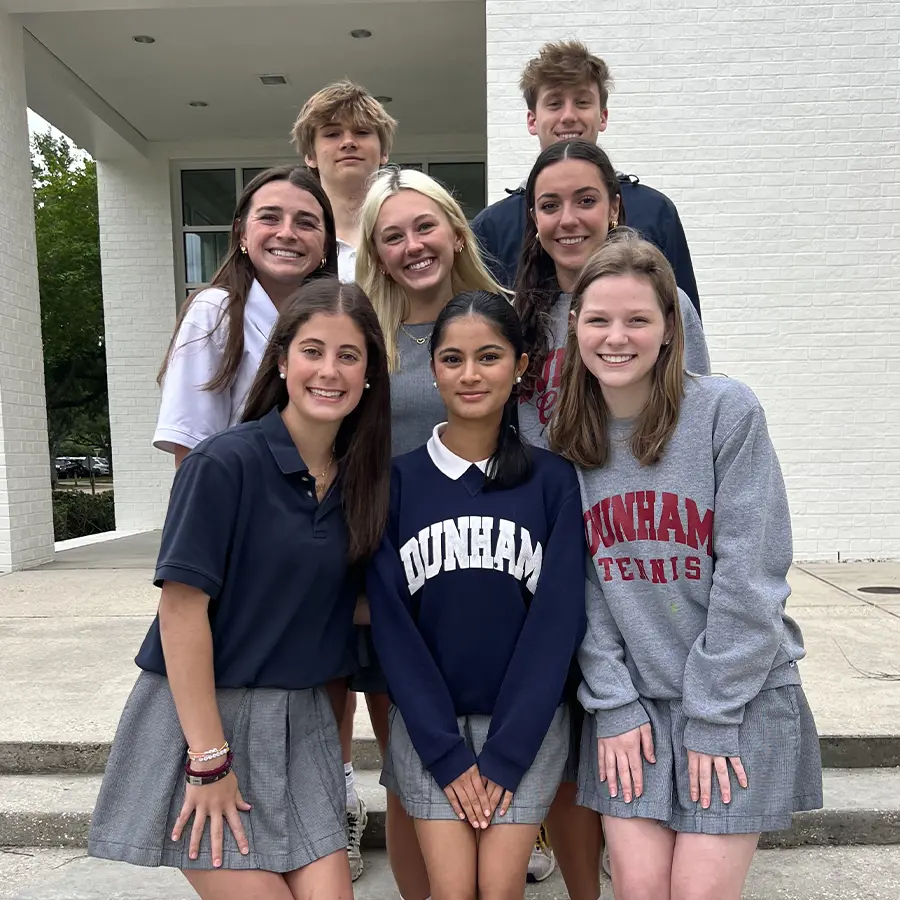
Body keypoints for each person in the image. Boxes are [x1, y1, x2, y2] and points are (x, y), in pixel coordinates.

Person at [88, 277, 393, 899]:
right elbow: (180, 613)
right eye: (312, 351)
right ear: (281, 361)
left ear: (369, 376)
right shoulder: (223, 464)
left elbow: (351, 605)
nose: (329, 371)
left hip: (302, 726)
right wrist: (209, 761)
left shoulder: (366, 482)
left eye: (348, 355)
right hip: (206, 722)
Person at [549, 232, 823, 900]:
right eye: (600, 319)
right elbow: (580, 590)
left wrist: (712, 714)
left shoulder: (725, 413)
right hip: (633, 708)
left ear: (671, 329)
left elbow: (751, 578)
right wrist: (612, 705)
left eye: (638, 319)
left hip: (735, 697)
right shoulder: (565, 436)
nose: (618, 337)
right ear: (575, 327)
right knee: (639, 889)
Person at [513, 140, 710, 895]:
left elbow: (688, 431)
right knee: (569, 732)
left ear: (616, 207)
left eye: (586, 200)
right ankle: (586, 872)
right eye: (551, 205)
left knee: (616, 710)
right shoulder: (523, 314)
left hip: (634, 541)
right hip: (558, 536)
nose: (569, 219)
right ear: (531, 220)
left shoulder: (664, 302)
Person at [368, 291, 587, 900]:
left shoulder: (552, 481)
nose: (470, 374)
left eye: (489, 356)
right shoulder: (395, 483)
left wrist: (507, 753)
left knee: (499, 886)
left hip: (526, 726)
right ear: (432, 368)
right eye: (452, 358)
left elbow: (556, 622)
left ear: (519, 366)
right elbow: (393, 627)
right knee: (455, 888)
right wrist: (445, 753)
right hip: (428, 725)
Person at [344, 167, 507, 899]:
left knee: (507, 757)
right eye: (393, 236)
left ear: (455, 228)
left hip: (499, 575)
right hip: (399, 585)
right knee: (412, 772)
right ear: (377, 253)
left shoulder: (507, 317)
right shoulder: (367, 342)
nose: (413, 245)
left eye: (424, 225)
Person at [471, 39, 700, 314]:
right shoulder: (493, 228)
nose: (568, 116)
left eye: (581, 102)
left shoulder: (656, 212)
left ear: (602, 115)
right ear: (532, 120)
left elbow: (684, 327)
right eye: (554, 103)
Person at [154, 166, 338, 466]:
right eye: (270, 218)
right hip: (244, 506)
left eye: (306, 223)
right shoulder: (215, 314)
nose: (287, 233)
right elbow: (193, 450)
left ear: (327, 243)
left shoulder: (340, 320)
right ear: (242, 232)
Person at [292, 80, 397, 285]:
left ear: (384, 152)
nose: (348, 142)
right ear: (310, 155)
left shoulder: (407, 233)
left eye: (362, 132)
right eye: (332, 134)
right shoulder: (292, 235)